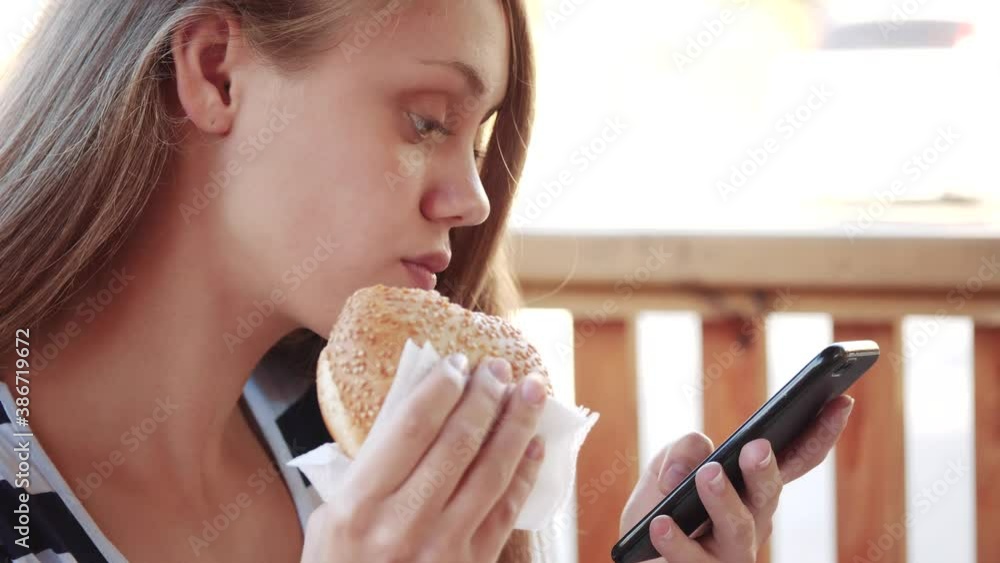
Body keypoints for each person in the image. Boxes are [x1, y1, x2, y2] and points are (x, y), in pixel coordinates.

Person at [0, 1, 854, 561]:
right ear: (216, 72)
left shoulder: (352, 438)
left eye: (476, 140)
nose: (476, 198)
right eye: (426, 120)